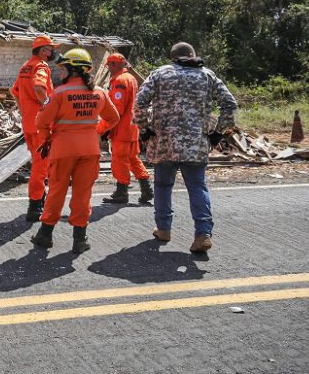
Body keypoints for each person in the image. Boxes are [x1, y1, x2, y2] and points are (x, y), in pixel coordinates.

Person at [134, 42, 237, 254]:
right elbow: (229, 103)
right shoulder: (207, 75)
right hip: (196, 144)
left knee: (163, 186)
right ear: (193, 55)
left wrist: (144, 129)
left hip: (164, 143)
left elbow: (140, 102)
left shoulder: (160, 74)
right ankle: (203, 234)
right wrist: (218, 132)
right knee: (197, 186)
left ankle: (163, 230)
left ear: (173, 57)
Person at [31, 48, 119, 253]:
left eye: (62, 70)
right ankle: (80, 240)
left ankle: (45, 236)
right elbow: (113, 118)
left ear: (72, 71)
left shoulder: (60, 93)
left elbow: (41, 121)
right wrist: (95, 130)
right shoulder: (99, 92)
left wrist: (47, 139)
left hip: (63, 149)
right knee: (83, 194)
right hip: (90, 149)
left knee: (56, 192)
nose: (60, 74)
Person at [11, 35, 58, 222]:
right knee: (40, 166)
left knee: (39, 164)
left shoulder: (26, 66)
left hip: (29, 124)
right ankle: (35, 205)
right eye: (51, 48)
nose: (53, 52)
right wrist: (48, 107)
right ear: (43, 51)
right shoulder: (40, 66)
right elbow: (39, 88)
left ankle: (41, 198)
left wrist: (25, 112)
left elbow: (14, 91)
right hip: (41, 125)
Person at [98, 53, 153, 205]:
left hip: (121, 129)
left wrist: (105, 128)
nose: (108, 69)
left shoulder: (120, 81)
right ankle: (146, 188)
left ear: (115, 64)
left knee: (119, 160)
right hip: (132, 127)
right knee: (133, 158)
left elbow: (117, 110)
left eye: (109, 66)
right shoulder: (131, 79)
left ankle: (122, 192)